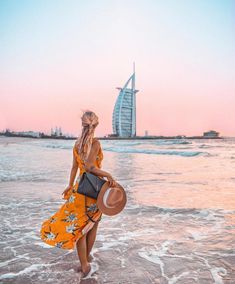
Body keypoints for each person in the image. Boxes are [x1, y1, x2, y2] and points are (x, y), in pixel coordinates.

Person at [40, 110, 118, 278]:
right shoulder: (95, 143)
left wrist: (69, 185)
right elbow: (90, 167)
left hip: (79, 188)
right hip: (92, 191)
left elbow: (75, 167)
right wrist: (108, 175)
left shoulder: (77, 144)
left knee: (82, 227)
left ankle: (86, 260)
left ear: (83, 124)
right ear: (95, 125)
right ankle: (85, 265)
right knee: (90, 226)